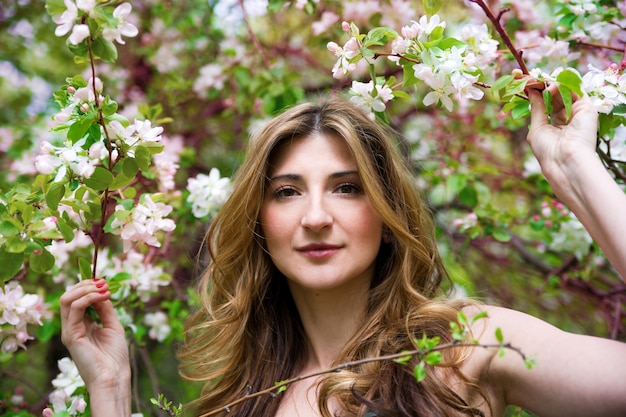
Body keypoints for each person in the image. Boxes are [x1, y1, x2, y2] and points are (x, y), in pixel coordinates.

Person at [60, 88, 626, 417]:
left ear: (386, 211)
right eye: (286, 192)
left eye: (347, 187)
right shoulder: (243, 400)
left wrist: (575, 171)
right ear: (259, 222)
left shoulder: (468, 345)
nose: (315, 217)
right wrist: (109, 389)